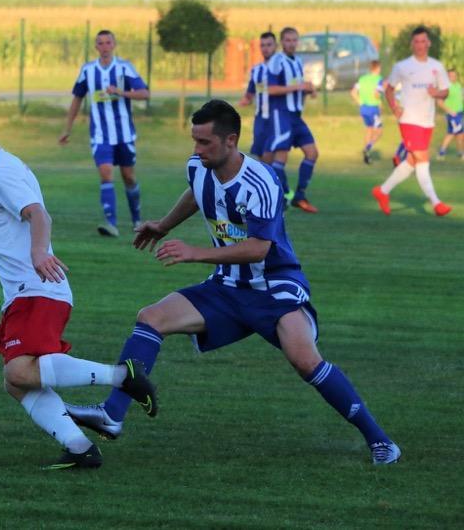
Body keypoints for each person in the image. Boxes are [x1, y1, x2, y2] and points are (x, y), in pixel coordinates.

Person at [65, 99, 401, 465]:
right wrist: (162, 226)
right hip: (226, 287)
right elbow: (197, 191)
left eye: (205, 142)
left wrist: (195, 252)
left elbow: (259, 248)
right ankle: (112, 415)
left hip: (274, 286)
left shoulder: (261, 182)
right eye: (194, 141)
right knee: (151, 318)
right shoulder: (199, 166)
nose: (197, 150)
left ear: (231, 140)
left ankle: (380, 440)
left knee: (306, 361)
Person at [0, 96, 156, 470]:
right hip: (25, 294)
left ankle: (123, 376)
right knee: (17, 382)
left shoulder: (4, 171)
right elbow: (0, 212)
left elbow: (38, 215)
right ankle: (80, 448)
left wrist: (38, 253)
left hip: (37, 289)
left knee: (19, 371)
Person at [59, 30, 149, 237]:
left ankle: (137, 220)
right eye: (100, 43)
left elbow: (145, 93)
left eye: (108, 42)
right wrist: (67, 129)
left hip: (125, 135)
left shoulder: (125, 67)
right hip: (100, 135)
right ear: (96, 47)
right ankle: (111, 224)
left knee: (128, 177)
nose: (105, 46)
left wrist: (121, 92)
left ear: (114, 45)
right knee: (106, 173)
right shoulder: (88, 70)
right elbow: (77, 99)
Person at [372, 27, 452, 217]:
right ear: (412, 44)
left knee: (411, 161)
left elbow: (446, 91)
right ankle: (436, 203)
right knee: (423, 159)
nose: (420, 45)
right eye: (416, 42)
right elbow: (389, 89)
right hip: (409, 120)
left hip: (427, 122)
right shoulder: (402, 66)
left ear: (428, 43)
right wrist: (395, 108)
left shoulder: (436, 66)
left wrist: (436, 93)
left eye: (423, 41)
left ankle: (382, 191)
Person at [265, 27, 318, 213]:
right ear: (282, 42)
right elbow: (270, 89)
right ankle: (281, 196)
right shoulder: (276, 61)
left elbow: (297, 87)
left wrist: (308, 90)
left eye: (294, 40)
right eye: (287, 40)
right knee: (280, 159)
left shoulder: (298, 61)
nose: (291, 43)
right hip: (281, 115)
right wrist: (297, 87)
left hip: (296, 116)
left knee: (312, 153)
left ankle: (299, 196)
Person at [237, 32, 277, 157]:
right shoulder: (257, 70)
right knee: (259, 155)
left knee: (270, 154)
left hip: (277, 117)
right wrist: (245, 100)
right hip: (260, 118)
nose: (265, 48)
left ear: (276, 46)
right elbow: (251, 92)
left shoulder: (281, 68)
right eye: (263, 45)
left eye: (269, 45)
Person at [351, 60, 385, 164]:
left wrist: (360, 102)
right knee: (379, 131)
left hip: (363, 108)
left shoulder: (362, 79)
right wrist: (381, 99)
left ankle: (367, 156)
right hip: (373, 108)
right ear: (378, 68)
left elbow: (353, 92)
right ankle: (367, 148)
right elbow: (376, 94)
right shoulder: (379, 79)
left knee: (369, 130)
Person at [437, 68, 462, 159]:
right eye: (450, 76)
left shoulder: (458, 86)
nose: (453, 77)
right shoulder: (445, 88)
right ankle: (441, 153)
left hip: (460, 113)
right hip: (452, 114)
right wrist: (450, 111)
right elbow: (439, 102)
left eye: (454, 75)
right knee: (452, 133)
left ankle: (460, 153)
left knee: (459, 134)